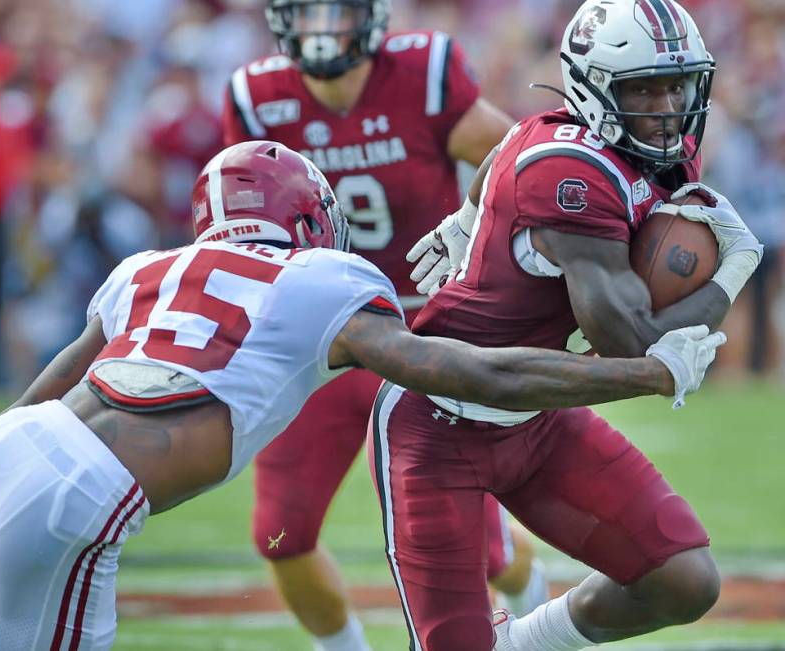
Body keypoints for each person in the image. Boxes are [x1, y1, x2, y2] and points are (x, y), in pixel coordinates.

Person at [0, 140, 725, 650]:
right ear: (307, 218)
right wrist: (648, 371)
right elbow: (479, 375)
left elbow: (45, 393)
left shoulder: (147, 268)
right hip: (76, 493)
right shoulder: (320, 277)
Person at [386, 2, 765, 650]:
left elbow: (514, 138)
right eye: (644, 87)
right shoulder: (569, 175)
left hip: (538, 418)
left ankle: (520, 642)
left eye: (678, 84)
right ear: (593, 89)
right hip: (442, 424)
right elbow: (632, 343)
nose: (669, 104)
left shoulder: (636, 142)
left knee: (683, 578)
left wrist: (469, 215)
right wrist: (734, 271)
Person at [221, 2, 549, 647]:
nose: (320, 30)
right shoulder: (256, 97)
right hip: (317, 339)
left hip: (418, 329)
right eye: (306, 13)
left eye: (335, 12)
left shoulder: (423, 72)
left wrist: (484, 258)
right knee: (282, 533)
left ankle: (530, 608)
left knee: (478, 550)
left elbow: (524, 165)